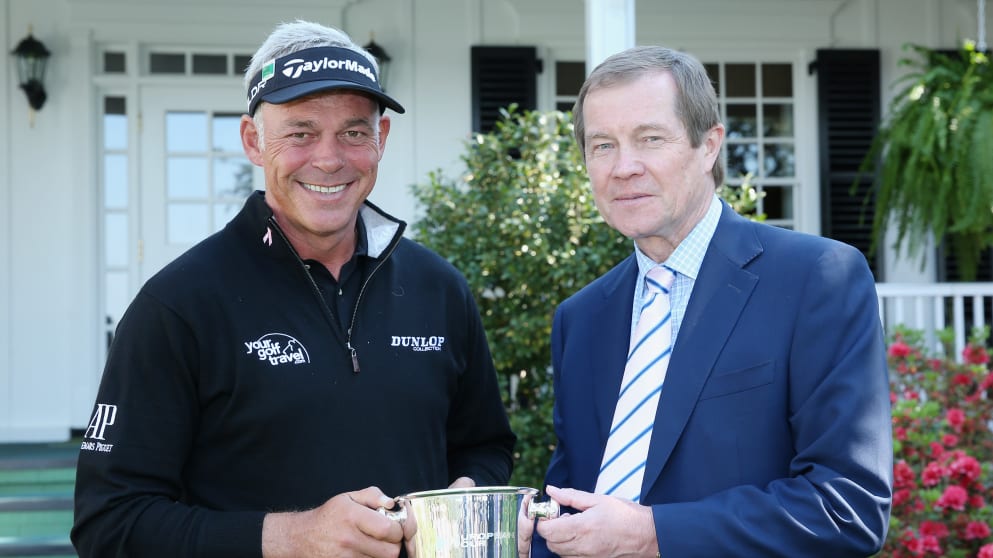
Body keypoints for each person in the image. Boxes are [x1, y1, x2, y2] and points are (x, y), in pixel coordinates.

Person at [71, 19, 515, 558]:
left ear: (382, 139)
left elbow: (484, 446)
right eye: (300, 132)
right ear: (254, 141)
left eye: (354, 132)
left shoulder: (440, 289)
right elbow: (110, 523)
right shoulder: (178, 305)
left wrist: (466, 495)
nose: (329, 159)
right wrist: (292, 538)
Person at [518, 45, 892, 557]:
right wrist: (531, 534)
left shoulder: (816, 280)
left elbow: (847, 507)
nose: (624, 167)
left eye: (650, 139)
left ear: (709, 145)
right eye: (602, 145)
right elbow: (577, 505)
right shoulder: (581, 318)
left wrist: (653, 534)